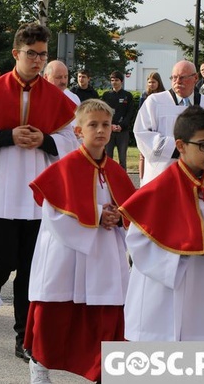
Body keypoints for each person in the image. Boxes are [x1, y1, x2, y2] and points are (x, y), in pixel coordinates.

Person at [0, 22, 77, 361]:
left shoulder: (58, 98)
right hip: (1, 189)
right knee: (2, 258)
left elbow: (71, 141)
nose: (38, 60)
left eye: (42, 55)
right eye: (31, 54)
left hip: (38, 194)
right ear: (16, 53)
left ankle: (24, 338)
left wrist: (46, 139)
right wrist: (8, 136)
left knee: (29, 268)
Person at [25, 99, 135, 383]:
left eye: (105, 125)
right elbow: (52, 212)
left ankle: (103, 370)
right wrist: (98, 216)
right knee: (57, 315)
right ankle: (40, 363)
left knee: (105, 313)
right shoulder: (65, 167)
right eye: (93, 125)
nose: (100, 130)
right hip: (68, 253)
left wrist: (116, 216)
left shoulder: (115, 170)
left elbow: (129, 209)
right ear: (77, 131)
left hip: (104, 253)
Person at [121, 106, 204, 341]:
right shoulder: (158, 192)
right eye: (203, 144)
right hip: (164, 292)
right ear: (180, 145)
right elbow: (138, 246)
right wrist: (184, 248)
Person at [134, 60, 204, 184]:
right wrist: (180, 149)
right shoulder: (155, 102)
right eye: (174, 77)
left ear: (195, 78)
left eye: (182, 77)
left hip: (197, 175)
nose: (177, 81)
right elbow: (141, 133)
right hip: (161, 175)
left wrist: (200, 155)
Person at [101, 71, 133, 170]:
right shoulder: (106, 95)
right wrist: (110, 125)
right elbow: (103, 113)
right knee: (107, 158)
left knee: (122, 159)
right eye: (112, 80)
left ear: (121, 81)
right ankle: (107, 180)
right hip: (109, 131)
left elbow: (130, 114)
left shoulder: (128, 95)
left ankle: (123, 182)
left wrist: (121, 126)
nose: (114, 82)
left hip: (122, 131)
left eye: (116, 80)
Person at [137, 72, 165, 180]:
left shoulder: (163, 95)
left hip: (159, 128)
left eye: (153, 82)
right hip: (147, 128)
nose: (151, 84)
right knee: (143, 154)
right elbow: (141, 113)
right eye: (149, 82)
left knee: (159, 155)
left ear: (159, 83)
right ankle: (142, 178)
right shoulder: (144, 95)